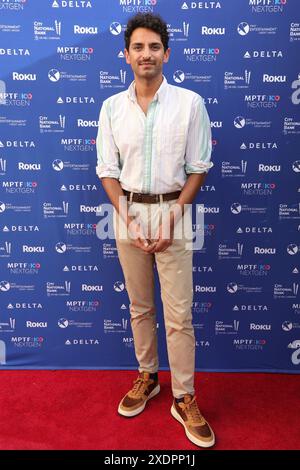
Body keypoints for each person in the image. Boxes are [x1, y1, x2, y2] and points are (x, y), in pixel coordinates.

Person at [96, 13, 215, 448]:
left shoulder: (190, 104)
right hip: (126, 215)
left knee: (179, 316)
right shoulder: (111, 108)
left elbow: (198, 166)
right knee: (140, 307)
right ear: (125, 55)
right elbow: (108, 170)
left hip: (176, 215)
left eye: (154, 47)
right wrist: (125, 216)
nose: (146, 54)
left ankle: (184, 396)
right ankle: (148, 377)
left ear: (166, 53)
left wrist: (173, 216)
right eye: (138, 47)